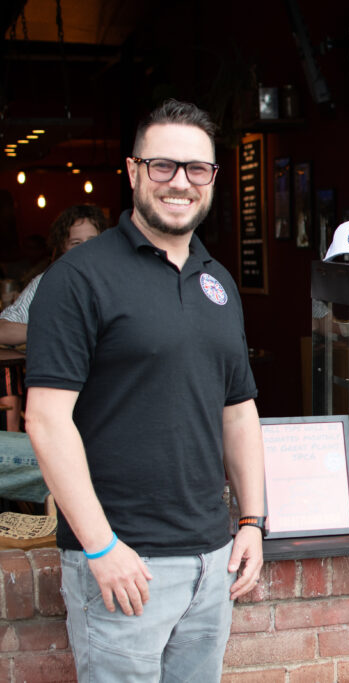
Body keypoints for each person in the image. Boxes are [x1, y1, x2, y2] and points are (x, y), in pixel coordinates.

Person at [24, 99, 266, 681]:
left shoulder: (218, 281)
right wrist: (101, 548)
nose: (179, 183)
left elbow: (238, 411)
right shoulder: (79, 278)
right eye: (163, 166)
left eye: (196, 169)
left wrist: (253, 521)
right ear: (133, 172)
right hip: (124, 562)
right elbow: (45, 420)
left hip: (213, 559)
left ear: (212, 180)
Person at [0, 204, 109, 347]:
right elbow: (2, 329)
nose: (85, 249)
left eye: (92, 241)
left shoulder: (117, 281)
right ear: (63, 247)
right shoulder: (45, 282)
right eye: (76, 243)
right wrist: (54, 332)